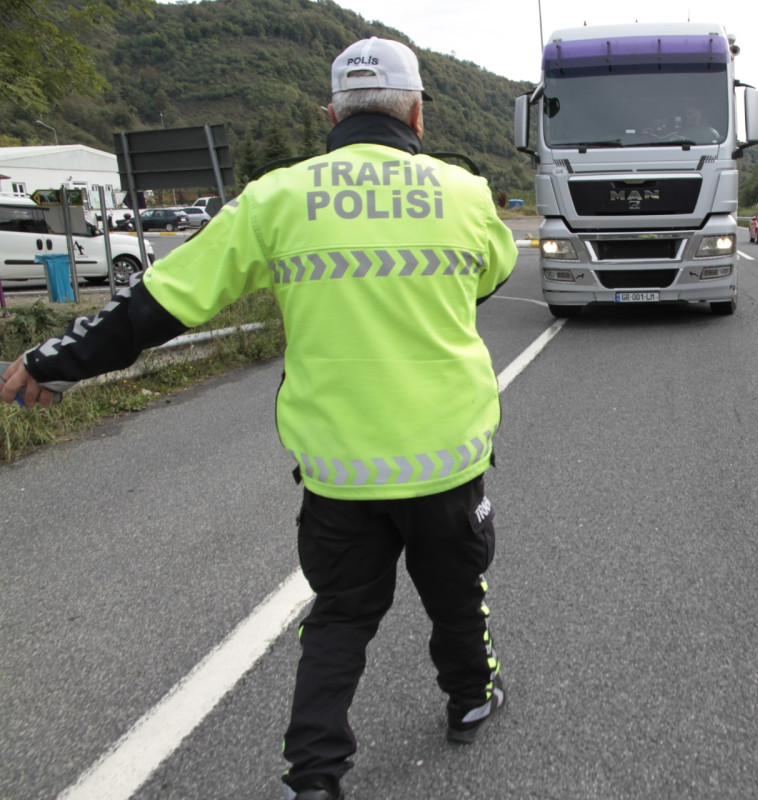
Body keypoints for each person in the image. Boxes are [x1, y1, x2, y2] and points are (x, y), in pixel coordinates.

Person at [1, 36, 517, 800]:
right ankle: (471, 698)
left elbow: (159, 303)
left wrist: (52, 363)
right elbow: (490, 275)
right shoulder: (465, 193)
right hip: (447, 460)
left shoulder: (277, 198)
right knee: (456, 593)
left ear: (329, 115)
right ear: (417, 113)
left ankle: (312, 777)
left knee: (340, 618)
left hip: (340, 471)